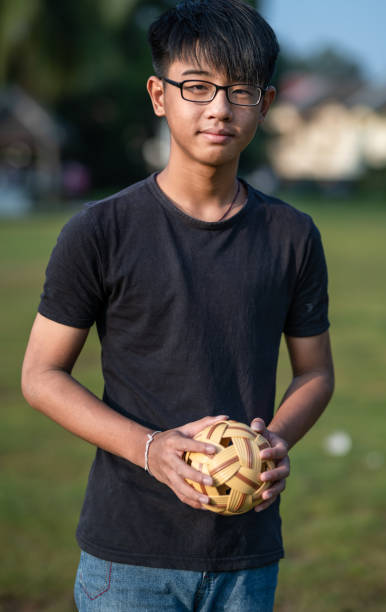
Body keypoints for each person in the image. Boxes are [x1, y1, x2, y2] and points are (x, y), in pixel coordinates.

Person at [21, 1, 334, 610]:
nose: (219, 107)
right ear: (159, 94)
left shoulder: (293, 235)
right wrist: (149, 448)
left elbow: (315, 372)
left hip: (247, 552)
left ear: (264, 106)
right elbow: (40, 375)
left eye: (239, 91)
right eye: (197, 87)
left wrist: (278, 441)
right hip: (127, 554)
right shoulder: (100, 231)